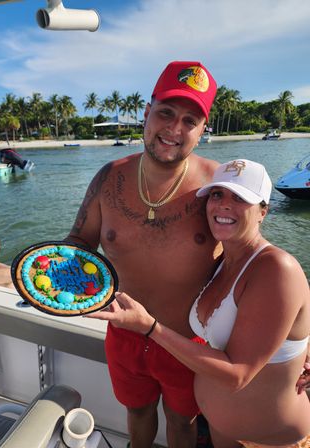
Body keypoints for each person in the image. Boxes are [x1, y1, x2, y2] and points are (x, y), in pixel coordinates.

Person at [88, 159, 310, 448]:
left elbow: (237, 375)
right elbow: (294, 315)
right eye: (217, 194)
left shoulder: (277, 267)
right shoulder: (222, 264)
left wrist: (151, 327)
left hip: (269, 438)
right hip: (222, 432)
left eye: (241, 198)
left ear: (263, 212)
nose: (224, 205)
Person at [67, 60, 222, 448]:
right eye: (166, 113)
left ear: (202, 131)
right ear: (146, 112)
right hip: (122, 333)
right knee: (136, 414)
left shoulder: (220, 188)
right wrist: (57, 287)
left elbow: (254, 264)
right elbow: (79, 243)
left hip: (188, 340)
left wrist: (293, 341)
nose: (174, 129)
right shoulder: (108, 178)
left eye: (190, 120)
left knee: (183, 423)